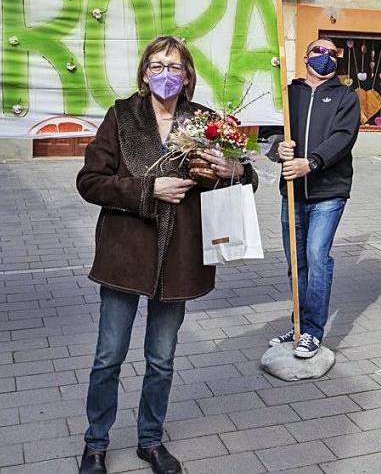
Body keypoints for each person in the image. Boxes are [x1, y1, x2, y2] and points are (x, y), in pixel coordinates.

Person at [76, 36, 258, 474]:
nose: (165, 74)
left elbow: (244, 178)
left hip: (178, 259)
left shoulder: (206, 121)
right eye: (157, 65)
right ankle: (95, 444)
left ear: (188, 76)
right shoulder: (121, 116)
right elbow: (89, 181)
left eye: (175, 67)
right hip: (125, 255)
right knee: (109, 355)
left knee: (161, 357)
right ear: (144, 72)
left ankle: (150, 440)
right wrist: (147, 189)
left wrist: (232, 169)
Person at [267, 39, 360, 358]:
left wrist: (312, 162)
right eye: (318, 52)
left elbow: (343, 138)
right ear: (305, 57)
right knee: (297, 263)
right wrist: (278, 148)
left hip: (328, 192)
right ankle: (298, 325)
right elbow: (272, 133)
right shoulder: (289, 92)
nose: (325, 57)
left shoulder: (346, 96)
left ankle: (312, 332)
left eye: (331, 53)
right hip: (292, 192)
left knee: (317, 256)